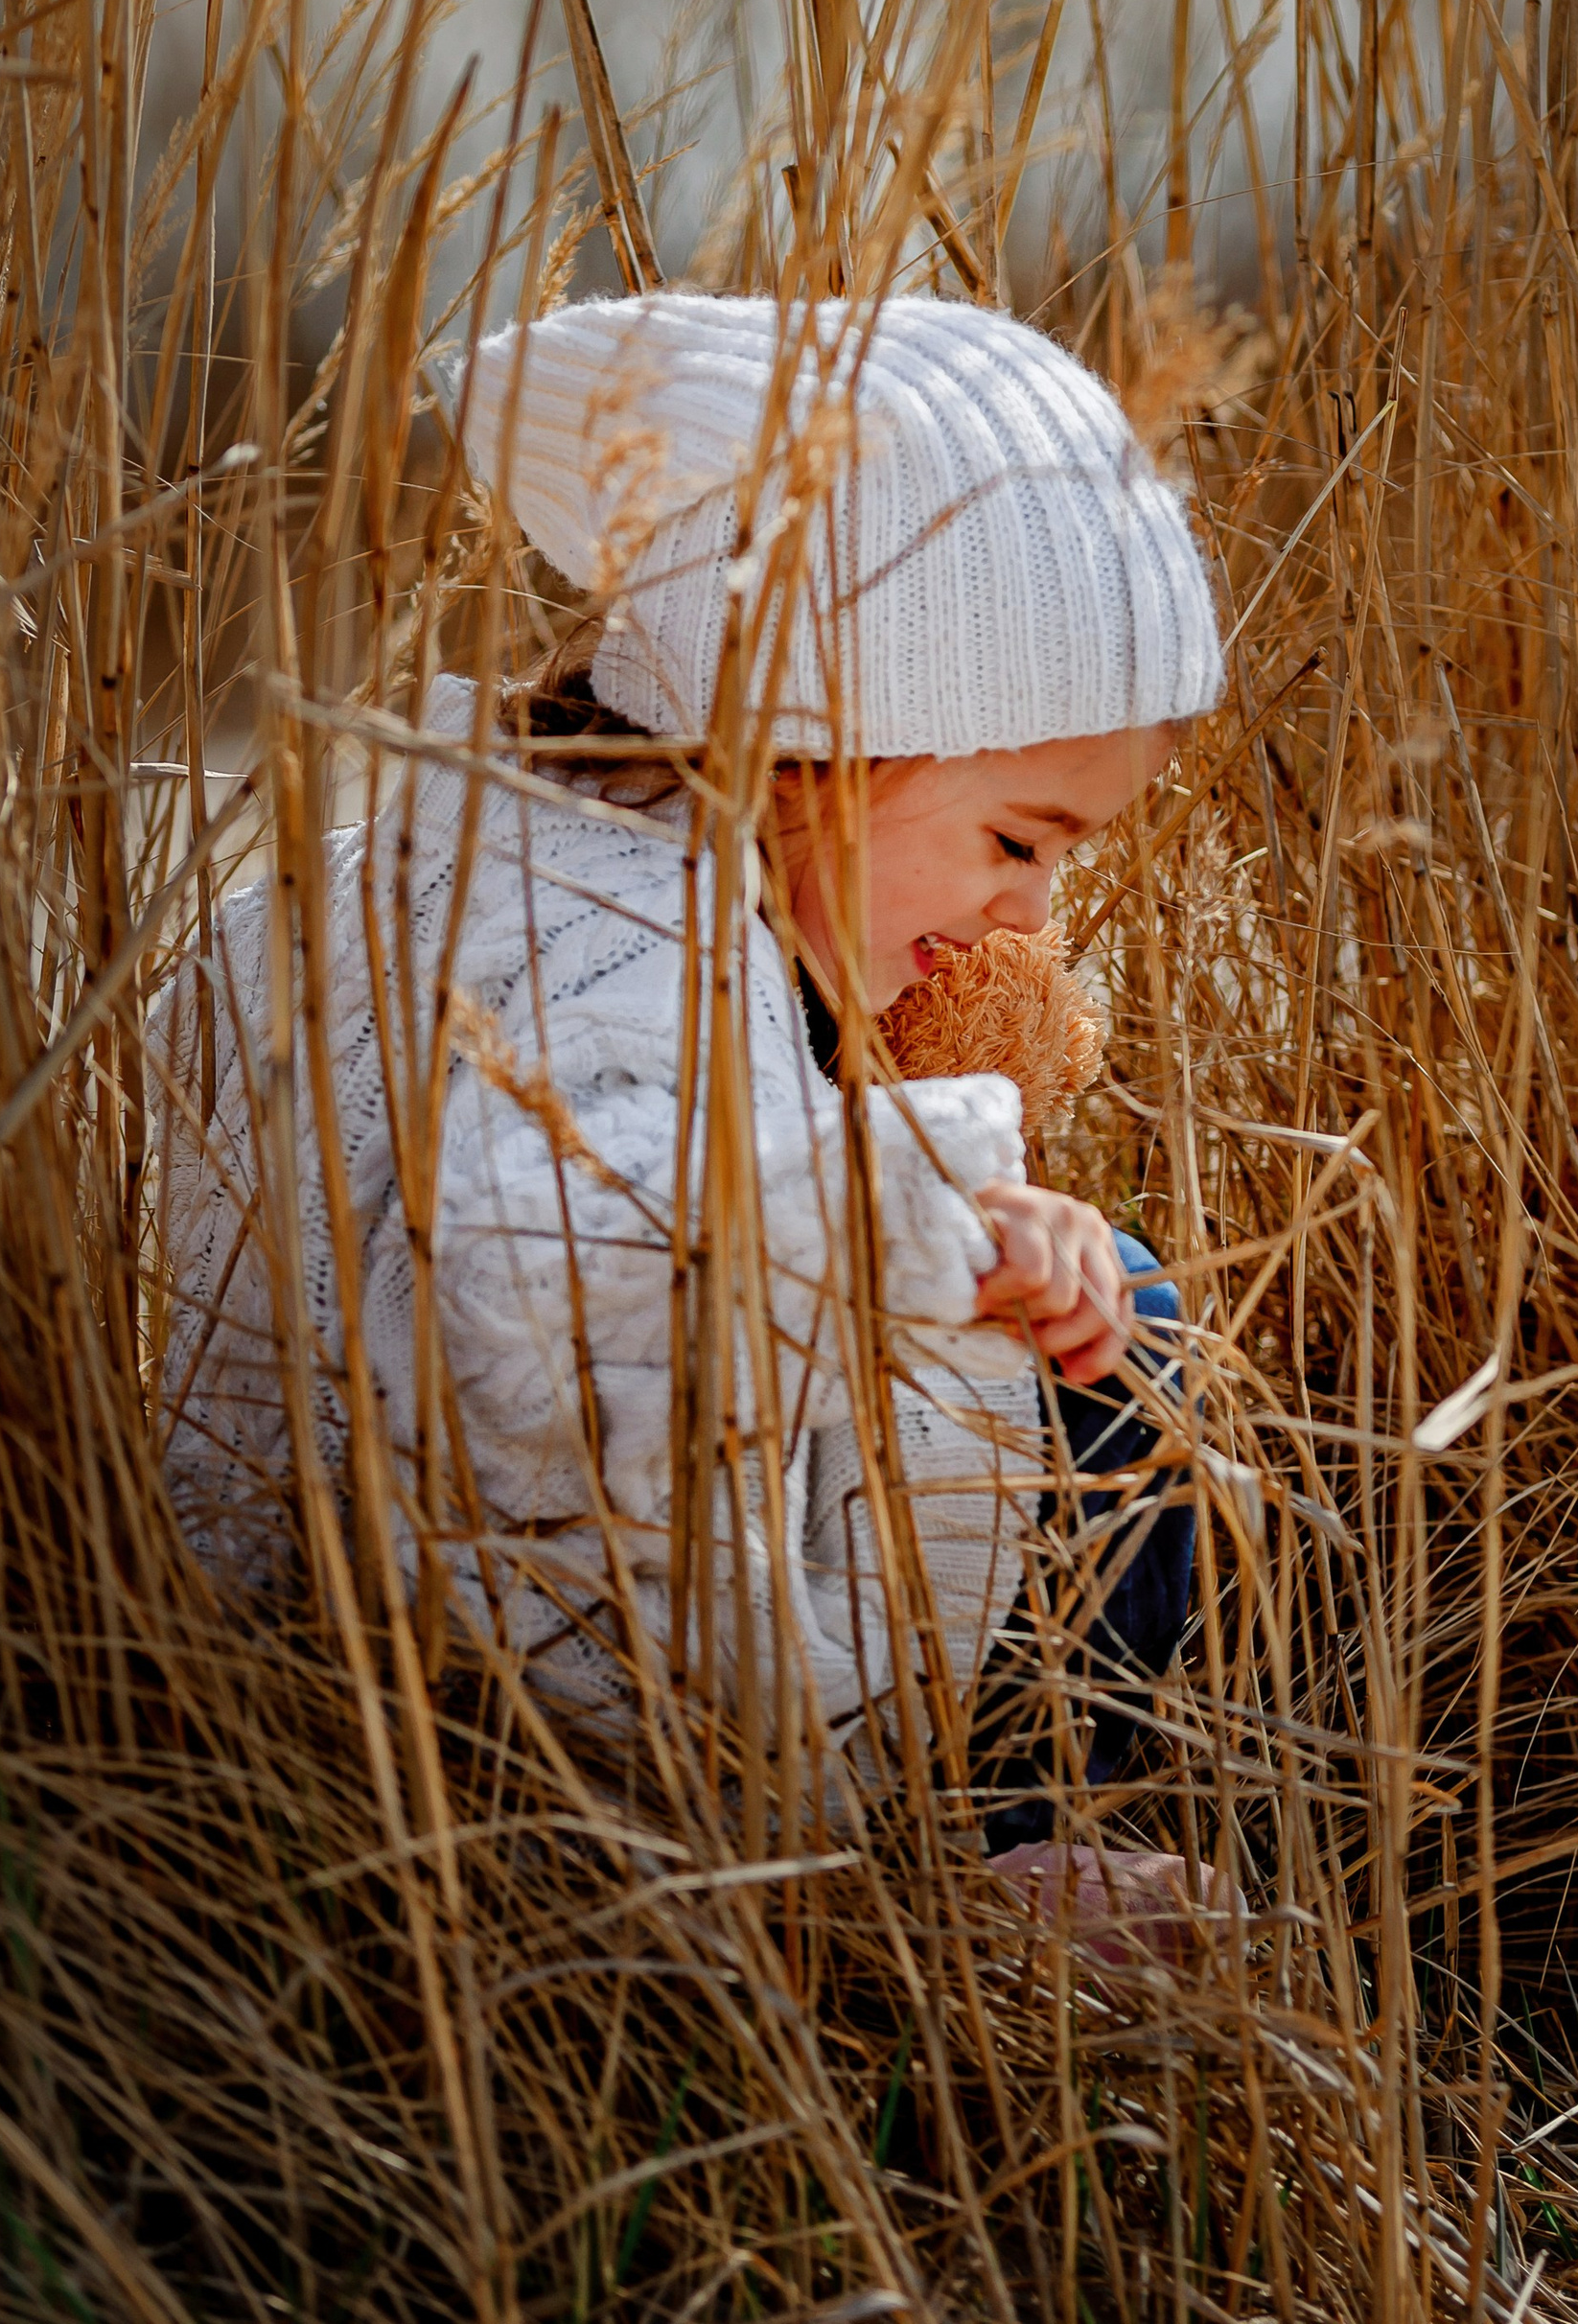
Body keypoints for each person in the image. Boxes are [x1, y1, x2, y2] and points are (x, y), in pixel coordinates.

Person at [152, 292, 1222, 1858]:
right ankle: (992, 1857)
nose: (1034, 913)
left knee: (1074, 1283)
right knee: (1122, 1331)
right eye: (1014, 841)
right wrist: (942, 1226)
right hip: (570, 1727)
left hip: (332, 1616)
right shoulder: (634, 947)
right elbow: (549, 1273)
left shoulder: (475, 860)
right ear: (814, 741)